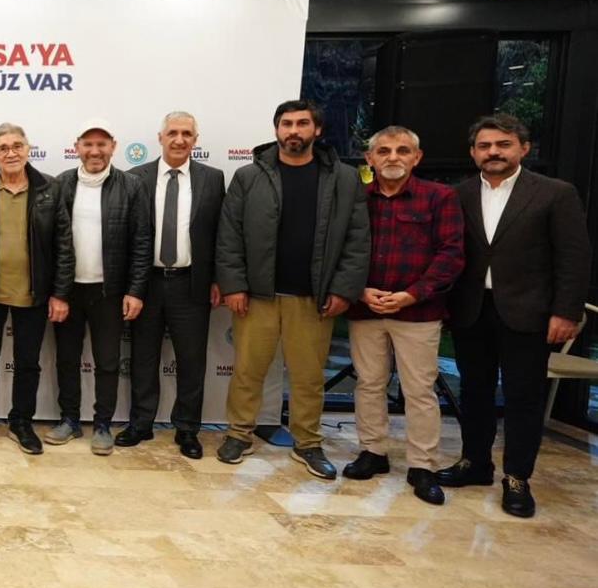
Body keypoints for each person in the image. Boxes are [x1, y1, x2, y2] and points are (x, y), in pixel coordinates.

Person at [438, 113, 591, 518]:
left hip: (529, 312)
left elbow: (574, 258)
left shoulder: (554, 193)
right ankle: (475, 463)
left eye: (503, 144)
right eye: (484, 146)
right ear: (473, 153)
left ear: (523, 148)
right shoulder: (458, 194)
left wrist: (566, 311)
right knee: (474, 391)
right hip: (471, 310)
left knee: (524, 397)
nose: (493, 152)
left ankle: (518, 477)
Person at [215, 100, 368, 479]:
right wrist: (234, 285)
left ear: (317, 130)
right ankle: (238, 434)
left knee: (308, 377)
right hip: (258, 297)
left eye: (302, 123)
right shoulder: (249, 176)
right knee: (247, 371)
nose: (293, 131)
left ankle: (308, 443)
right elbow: (229, 235)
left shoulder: (344, 179)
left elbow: (357, 239)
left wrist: (343, 290)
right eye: (286, 124)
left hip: (313, 299)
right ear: (277, 130)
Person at [343, 126, 464, 505]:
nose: (392, 157)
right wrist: (359, 290)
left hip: (418, 312)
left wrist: (412, 295)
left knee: (419, 391)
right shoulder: (357, 199)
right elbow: (340, 249)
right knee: (369, 384)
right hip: (365, 307)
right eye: (383, 151)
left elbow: (451, 254)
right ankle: (373, 452)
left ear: (417, 157)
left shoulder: (439, 198)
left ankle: (422, 465)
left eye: (402, 150)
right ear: (370, 159)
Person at [0, 122, 72, 454]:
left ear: (28, 149)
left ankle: (21, 422)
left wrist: (60, 294)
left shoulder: (49, 188)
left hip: (33, 293)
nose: (11, 153)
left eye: (17, 146)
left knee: (28, 363)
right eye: (3, 148)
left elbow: (64, 244)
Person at [122, 112, 225, 459]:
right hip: (146, 283)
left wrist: (217, 279)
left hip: (191, 284)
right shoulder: (136, 177)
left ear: (196, 139)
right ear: (160, 137)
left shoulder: (213, 178)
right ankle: (140, 423)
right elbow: (128, 236)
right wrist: (130, 286)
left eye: (187, 134)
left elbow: (220, 234)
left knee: (192, 361)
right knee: (143, 358)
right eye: (173, 133)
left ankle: (187, 429)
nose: (179, 140)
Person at [49, 120, 151, 455]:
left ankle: (103, 424)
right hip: (68, 291)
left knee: (107, 361)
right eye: (88, 144)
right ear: (77, 147)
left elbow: (141, 242)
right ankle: (69, 419)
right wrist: (57, 292)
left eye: (102, 144)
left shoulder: (131, 186)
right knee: (67, 358)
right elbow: (52, 242)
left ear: (113, 147)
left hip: (110, 292)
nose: (95, 151)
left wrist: (135, 291)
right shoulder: (62, 184)